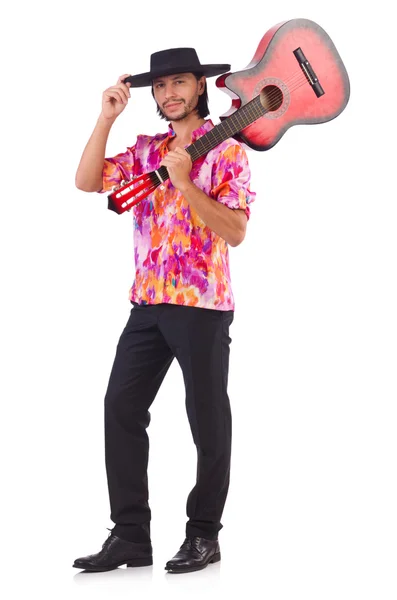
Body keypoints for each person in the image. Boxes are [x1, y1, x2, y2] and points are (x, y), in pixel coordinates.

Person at [73, 46, 256, 574]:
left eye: (179, 82)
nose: (169, 93)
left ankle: (203, 536)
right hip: (147, 304)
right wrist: (106, 117)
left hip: (201, 306)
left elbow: (236, 232)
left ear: (200, 86)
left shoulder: (227, 151)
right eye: (160, 86)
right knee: (120, 409)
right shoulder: (147, 149)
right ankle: (131, 536)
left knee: (207, 420)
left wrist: (183, 184)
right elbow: (87, 182)